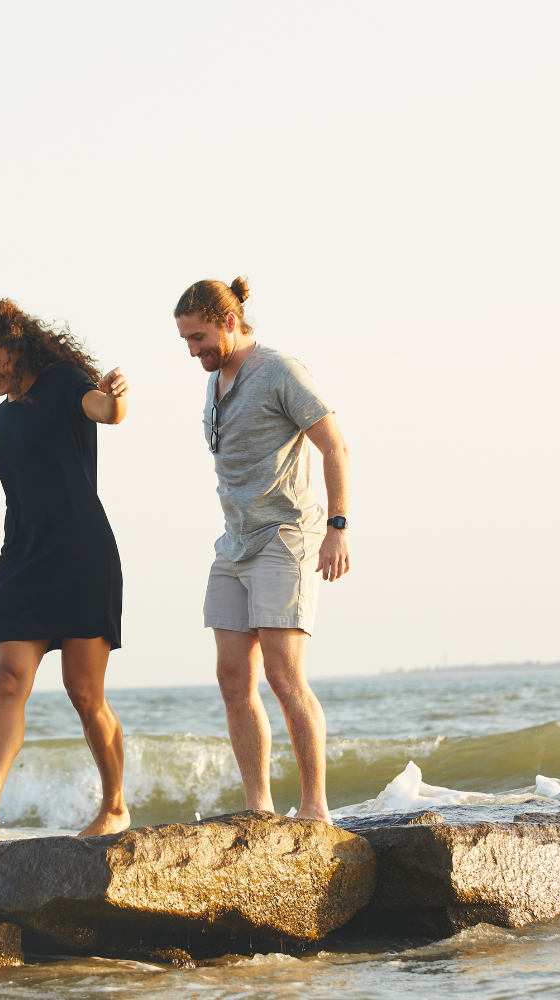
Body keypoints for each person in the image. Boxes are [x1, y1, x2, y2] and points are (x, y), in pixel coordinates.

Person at [0, 298, 131, 840]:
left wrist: (116, 400)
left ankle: (115, 806)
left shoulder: (63, 380)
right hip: (22, 556)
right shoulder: (3, 416)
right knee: (8, 680)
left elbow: (102, 411)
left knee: (84, 691)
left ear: (15, 346)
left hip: (81, 554)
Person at [175, 277, 350, 824]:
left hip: (285, 538)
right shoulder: (216, 381)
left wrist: (338, 528)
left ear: (229, 322)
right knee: (233, 677)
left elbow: (334, 444)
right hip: (234, 544)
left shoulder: (279, 370)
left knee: (283, 675)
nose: (192, 350)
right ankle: (258, 806)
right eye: (185, 340)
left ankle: (315, 807)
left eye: (199, 337)